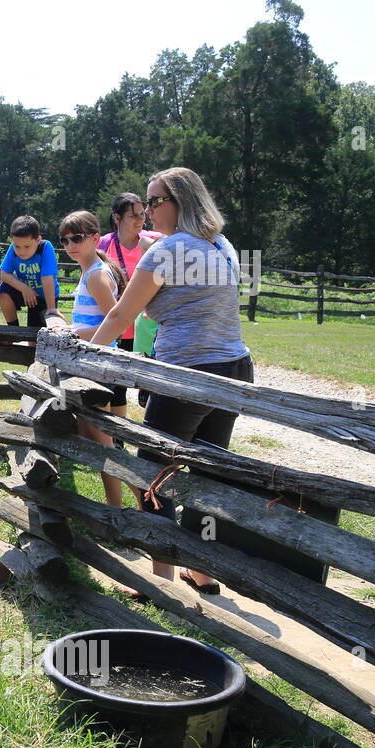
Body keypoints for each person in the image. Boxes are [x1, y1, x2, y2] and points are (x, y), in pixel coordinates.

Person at [83, 167, 253, 593]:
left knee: (152, 472)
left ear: (182, 201)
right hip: (234, 368)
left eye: (156, 201)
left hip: (188, 373)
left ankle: (159, 581)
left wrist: (84, 359)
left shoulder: (169, 250)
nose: (147, 211)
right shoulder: (223, 244)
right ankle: (202, 572)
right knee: (205, 470)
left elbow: (122, 313)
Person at [59, 211, 129, 508]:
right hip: (90, 364)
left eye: (77, 238)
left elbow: (117, 323)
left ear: (94, 238)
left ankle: (124, 507)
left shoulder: (97, 276)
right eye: (65, 240)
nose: (71, 245)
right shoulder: (91, 272)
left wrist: (71, 331)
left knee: (105, 444)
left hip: (98, 365)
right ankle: (125, 505)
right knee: (94, 435)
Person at [98, 193, 163, 416]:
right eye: (133, 215)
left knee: (150, 389)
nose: (140, 220)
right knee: (115, 385)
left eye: (142, 214)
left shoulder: (154, 240)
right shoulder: (104, 244)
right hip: (118, 324)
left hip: (147, 327)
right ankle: (117, 440)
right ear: (117, 217)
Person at [0, 216, 59, 328]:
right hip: (24, 291)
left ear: (38, 240)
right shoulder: (13, 248)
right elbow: (4, 274)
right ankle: (13, 330)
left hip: (45, 296)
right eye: (17, 246)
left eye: (27, 246)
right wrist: (24, 288)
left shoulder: (45, 247)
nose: (21, 251)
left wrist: (51, 308)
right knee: (2, 291)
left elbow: (47, 279)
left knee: (34, 338)